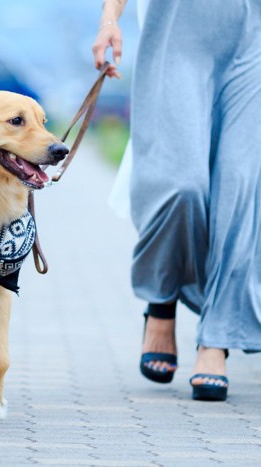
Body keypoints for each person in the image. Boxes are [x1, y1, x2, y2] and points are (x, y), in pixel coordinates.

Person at [92, 0, 261, 401]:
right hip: (174, 38)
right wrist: (109, 19)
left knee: (238, 188)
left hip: (253, 39)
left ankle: (216, 339)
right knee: (181, 184)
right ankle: (161, 297)